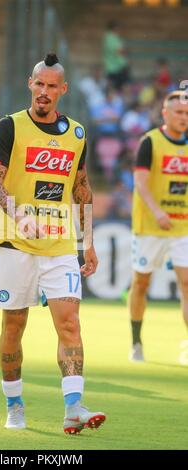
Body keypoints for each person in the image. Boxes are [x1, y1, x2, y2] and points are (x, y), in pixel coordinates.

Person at [0, 53, 106, 434]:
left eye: (52, 86)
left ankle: (74, 407)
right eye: (39, 84)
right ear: (30, 84)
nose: (44, 91)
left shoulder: (78, 135)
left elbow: (81, 190)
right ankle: (14, 403)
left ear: (62, 90)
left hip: (58, 246)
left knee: (70, 324)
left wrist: (87, 242)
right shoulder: (10, 127)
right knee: (14, 326)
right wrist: (17, 212)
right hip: (14, 244)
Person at [128, 90, 188, 362]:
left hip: (182, 226)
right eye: (178, 112)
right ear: (166, 114)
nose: (183, 118)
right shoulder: (149, 142)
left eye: (187, 113)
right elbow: (141, 182)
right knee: (141, 282)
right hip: (150, 226)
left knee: (186, 283)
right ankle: (136, 342)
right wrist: (158, 212)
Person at [103, 20, 130, 91]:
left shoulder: (114, 37)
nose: (120, 30)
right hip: (114, 68)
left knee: (120, 87)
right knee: (116, 88)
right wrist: (126, 51)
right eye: (118, 28)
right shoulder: (110, 37)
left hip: (119, 67)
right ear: (114, 28)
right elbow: (119, 51)